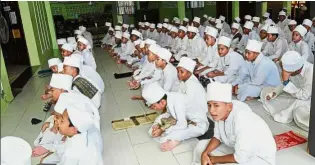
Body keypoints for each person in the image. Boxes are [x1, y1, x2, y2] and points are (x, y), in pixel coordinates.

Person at [191, 82, 276, 165]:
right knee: (200, 147)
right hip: (235, 148)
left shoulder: (242, 119)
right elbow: (218, 137)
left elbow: (241, 157)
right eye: (209, 105)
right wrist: (205, 153)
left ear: (229, 107)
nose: (211, 110)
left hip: (256, 158)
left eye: (216, 105)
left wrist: (214, 160)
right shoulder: (220, 113)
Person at [142, 82, 208, 151]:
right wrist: (158, 125)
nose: (154, 108)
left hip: (197, 123)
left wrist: (162, 129)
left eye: (154, 106)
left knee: (174, 133)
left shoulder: (177, 101)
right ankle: (171, 135)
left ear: (162, 102)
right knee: (159, 118)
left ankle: (175, 140)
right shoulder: (168, 97)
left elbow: (182, 125)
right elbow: (170, 113)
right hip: (183, 119)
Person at [260, 51, 313, 131]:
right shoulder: (294, 70)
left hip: (307, 100)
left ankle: (286, 114)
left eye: (288, 72)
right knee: (266, 90)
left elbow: (304, 96)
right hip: (296, 95)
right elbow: (283, 85)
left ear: (297, 69)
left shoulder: (311, 71)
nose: (287, 74)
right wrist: (275, 92)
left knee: (298, 108)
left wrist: (286, 82)